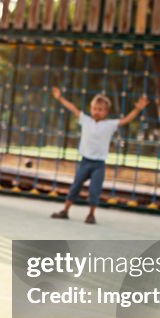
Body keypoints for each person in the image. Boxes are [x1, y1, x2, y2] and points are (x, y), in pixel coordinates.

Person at [50, 88, 149, 224]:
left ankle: (91, 215)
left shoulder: (109, 125)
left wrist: (137, 110)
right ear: (91, 109)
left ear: (106, 112)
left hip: (98, 165)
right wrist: (59, 98)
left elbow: (126, 120)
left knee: (94, 190)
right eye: (95, 108)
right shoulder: (85, 120)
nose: (97, 111)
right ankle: (65, 211)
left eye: (101, 109)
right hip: (85, 162)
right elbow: (72, 108)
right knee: (75, 186)